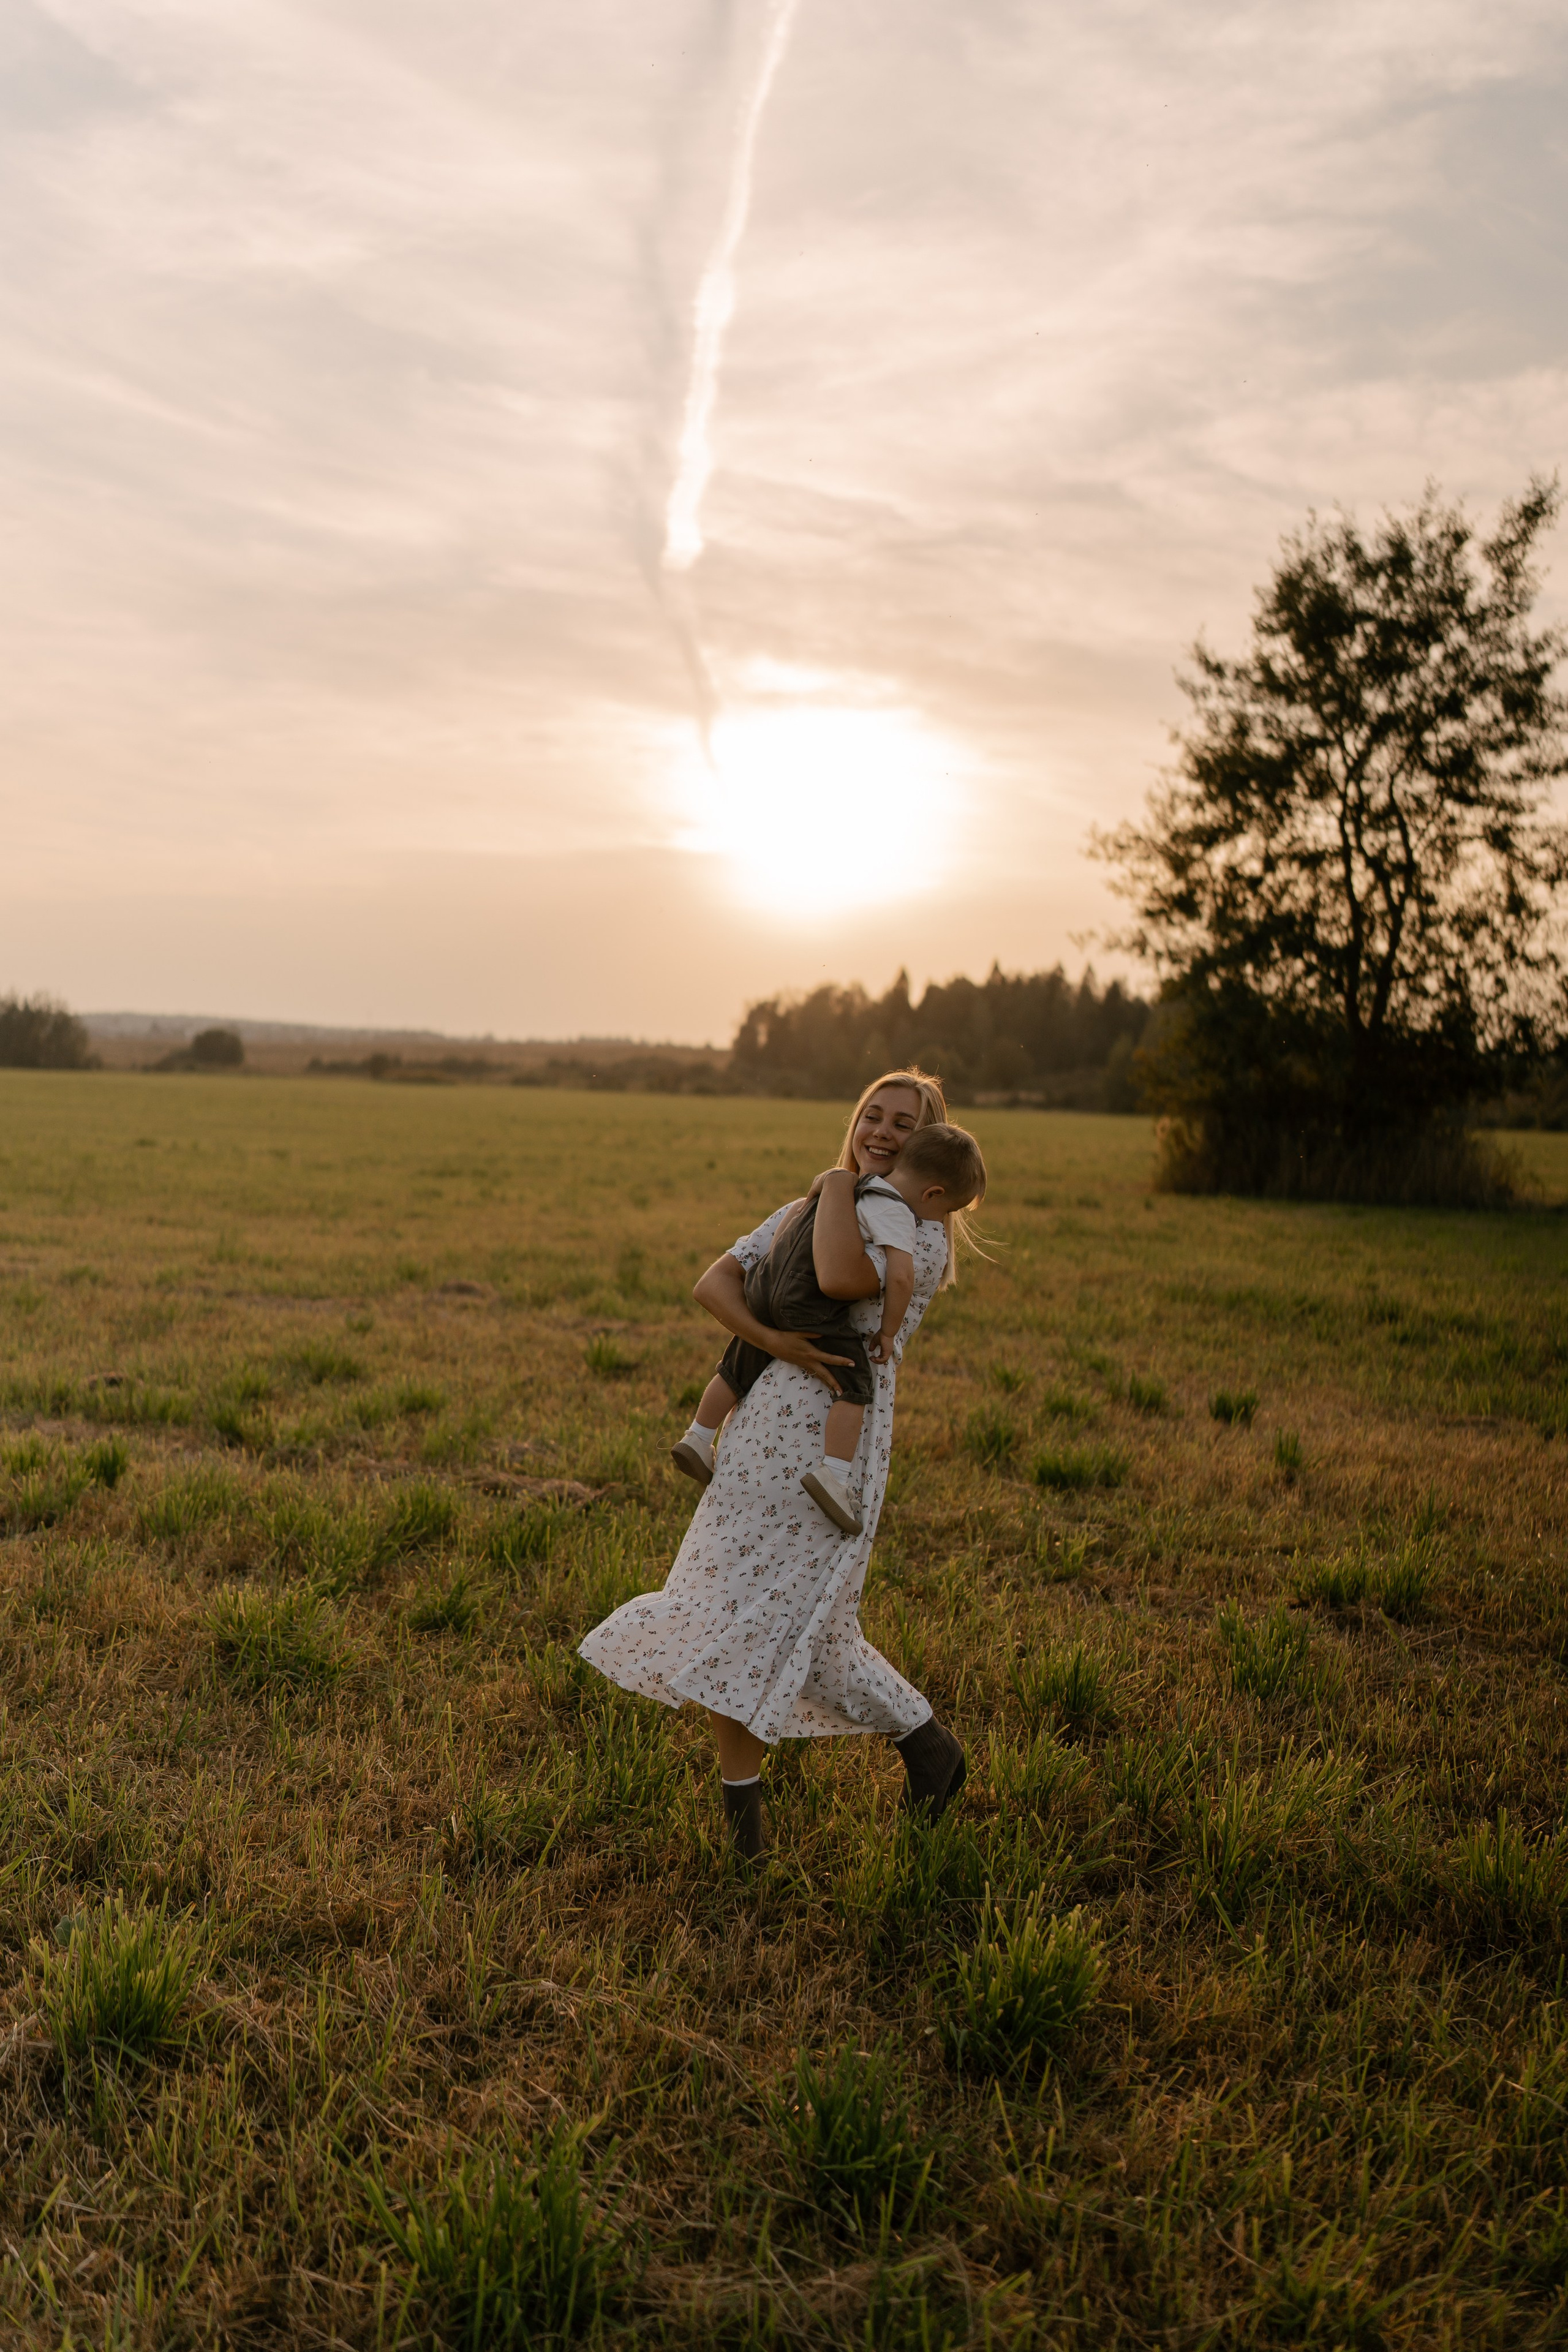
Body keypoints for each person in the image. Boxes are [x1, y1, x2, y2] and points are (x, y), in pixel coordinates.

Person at [578, 1071, 986, 1862]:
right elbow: (716, 1284)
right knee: (733, 1619)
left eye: (903, 1124)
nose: (881, 1132)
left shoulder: (916, 1232)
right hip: (757, 1440)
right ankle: (773, 1828)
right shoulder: (808, 1208)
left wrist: (833, 1185)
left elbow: (836, 1278)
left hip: (830, 1452)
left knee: (784, 1628)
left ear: (929, 1148)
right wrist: (774, 1342)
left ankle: (917, 1745)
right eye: (872, 1116)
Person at [670, 1125, 984, 1537]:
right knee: (853, 1377)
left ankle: (698, 1434)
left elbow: (793, 1225)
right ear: (933, 1195)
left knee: (738, 1362)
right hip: (808, 1300)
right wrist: (888, 1333)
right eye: (945, 1210)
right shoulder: (896, 1212)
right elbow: (896, 1277)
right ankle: (833, 1473)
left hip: (765, 1285)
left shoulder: (845, 1192)